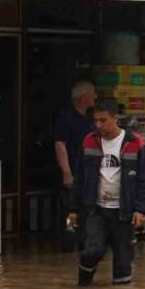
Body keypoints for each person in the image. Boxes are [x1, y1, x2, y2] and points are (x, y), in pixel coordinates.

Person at [67, 100, 145, 286]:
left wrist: (141, 210)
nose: (99, 125)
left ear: (115, 119)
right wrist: (73, 209)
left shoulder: (136, 143)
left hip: (124, 212)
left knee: (123, 266)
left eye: (103, 120)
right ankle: (82, 288)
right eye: (95, 121)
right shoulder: (89, 141)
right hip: (96, 209)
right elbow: (79, 178)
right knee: (92, 251)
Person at [55, 81, 97, 252]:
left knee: (85, 205)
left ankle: (84, 239)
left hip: (87, 170)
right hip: (73, 169)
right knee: (70, 207)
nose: (96, 97)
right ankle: (69, 239)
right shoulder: (67, 118)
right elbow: (60, 144)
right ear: (83, 97)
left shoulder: (89, 120)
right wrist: (66, 172)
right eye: (93, 93)